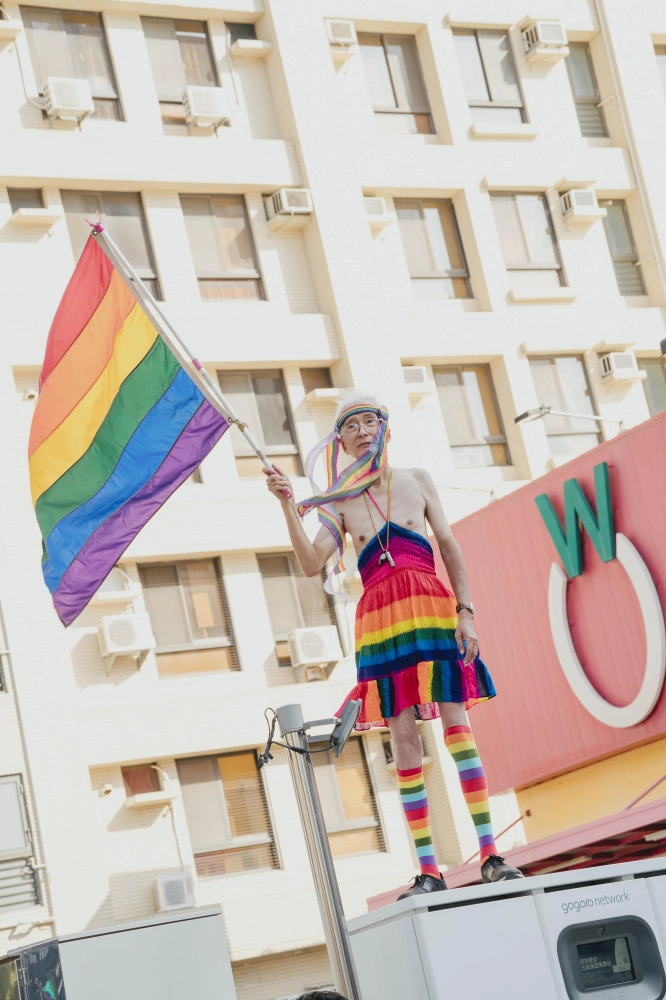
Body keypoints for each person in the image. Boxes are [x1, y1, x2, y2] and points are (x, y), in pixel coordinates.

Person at [264, 390, 523, 895]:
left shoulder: (417, 480)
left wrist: (466, 613)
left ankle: (491, 854)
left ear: (386, 429)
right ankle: (428, 869)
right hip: (380, 618)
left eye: (370, 421)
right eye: (351, 425)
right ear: (340, 441)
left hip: (430, 605)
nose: (362, 431)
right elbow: (312, 562)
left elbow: (449, 546)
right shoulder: (338, 501)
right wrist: (288, 507)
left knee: (456, 723)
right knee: (403, 738)